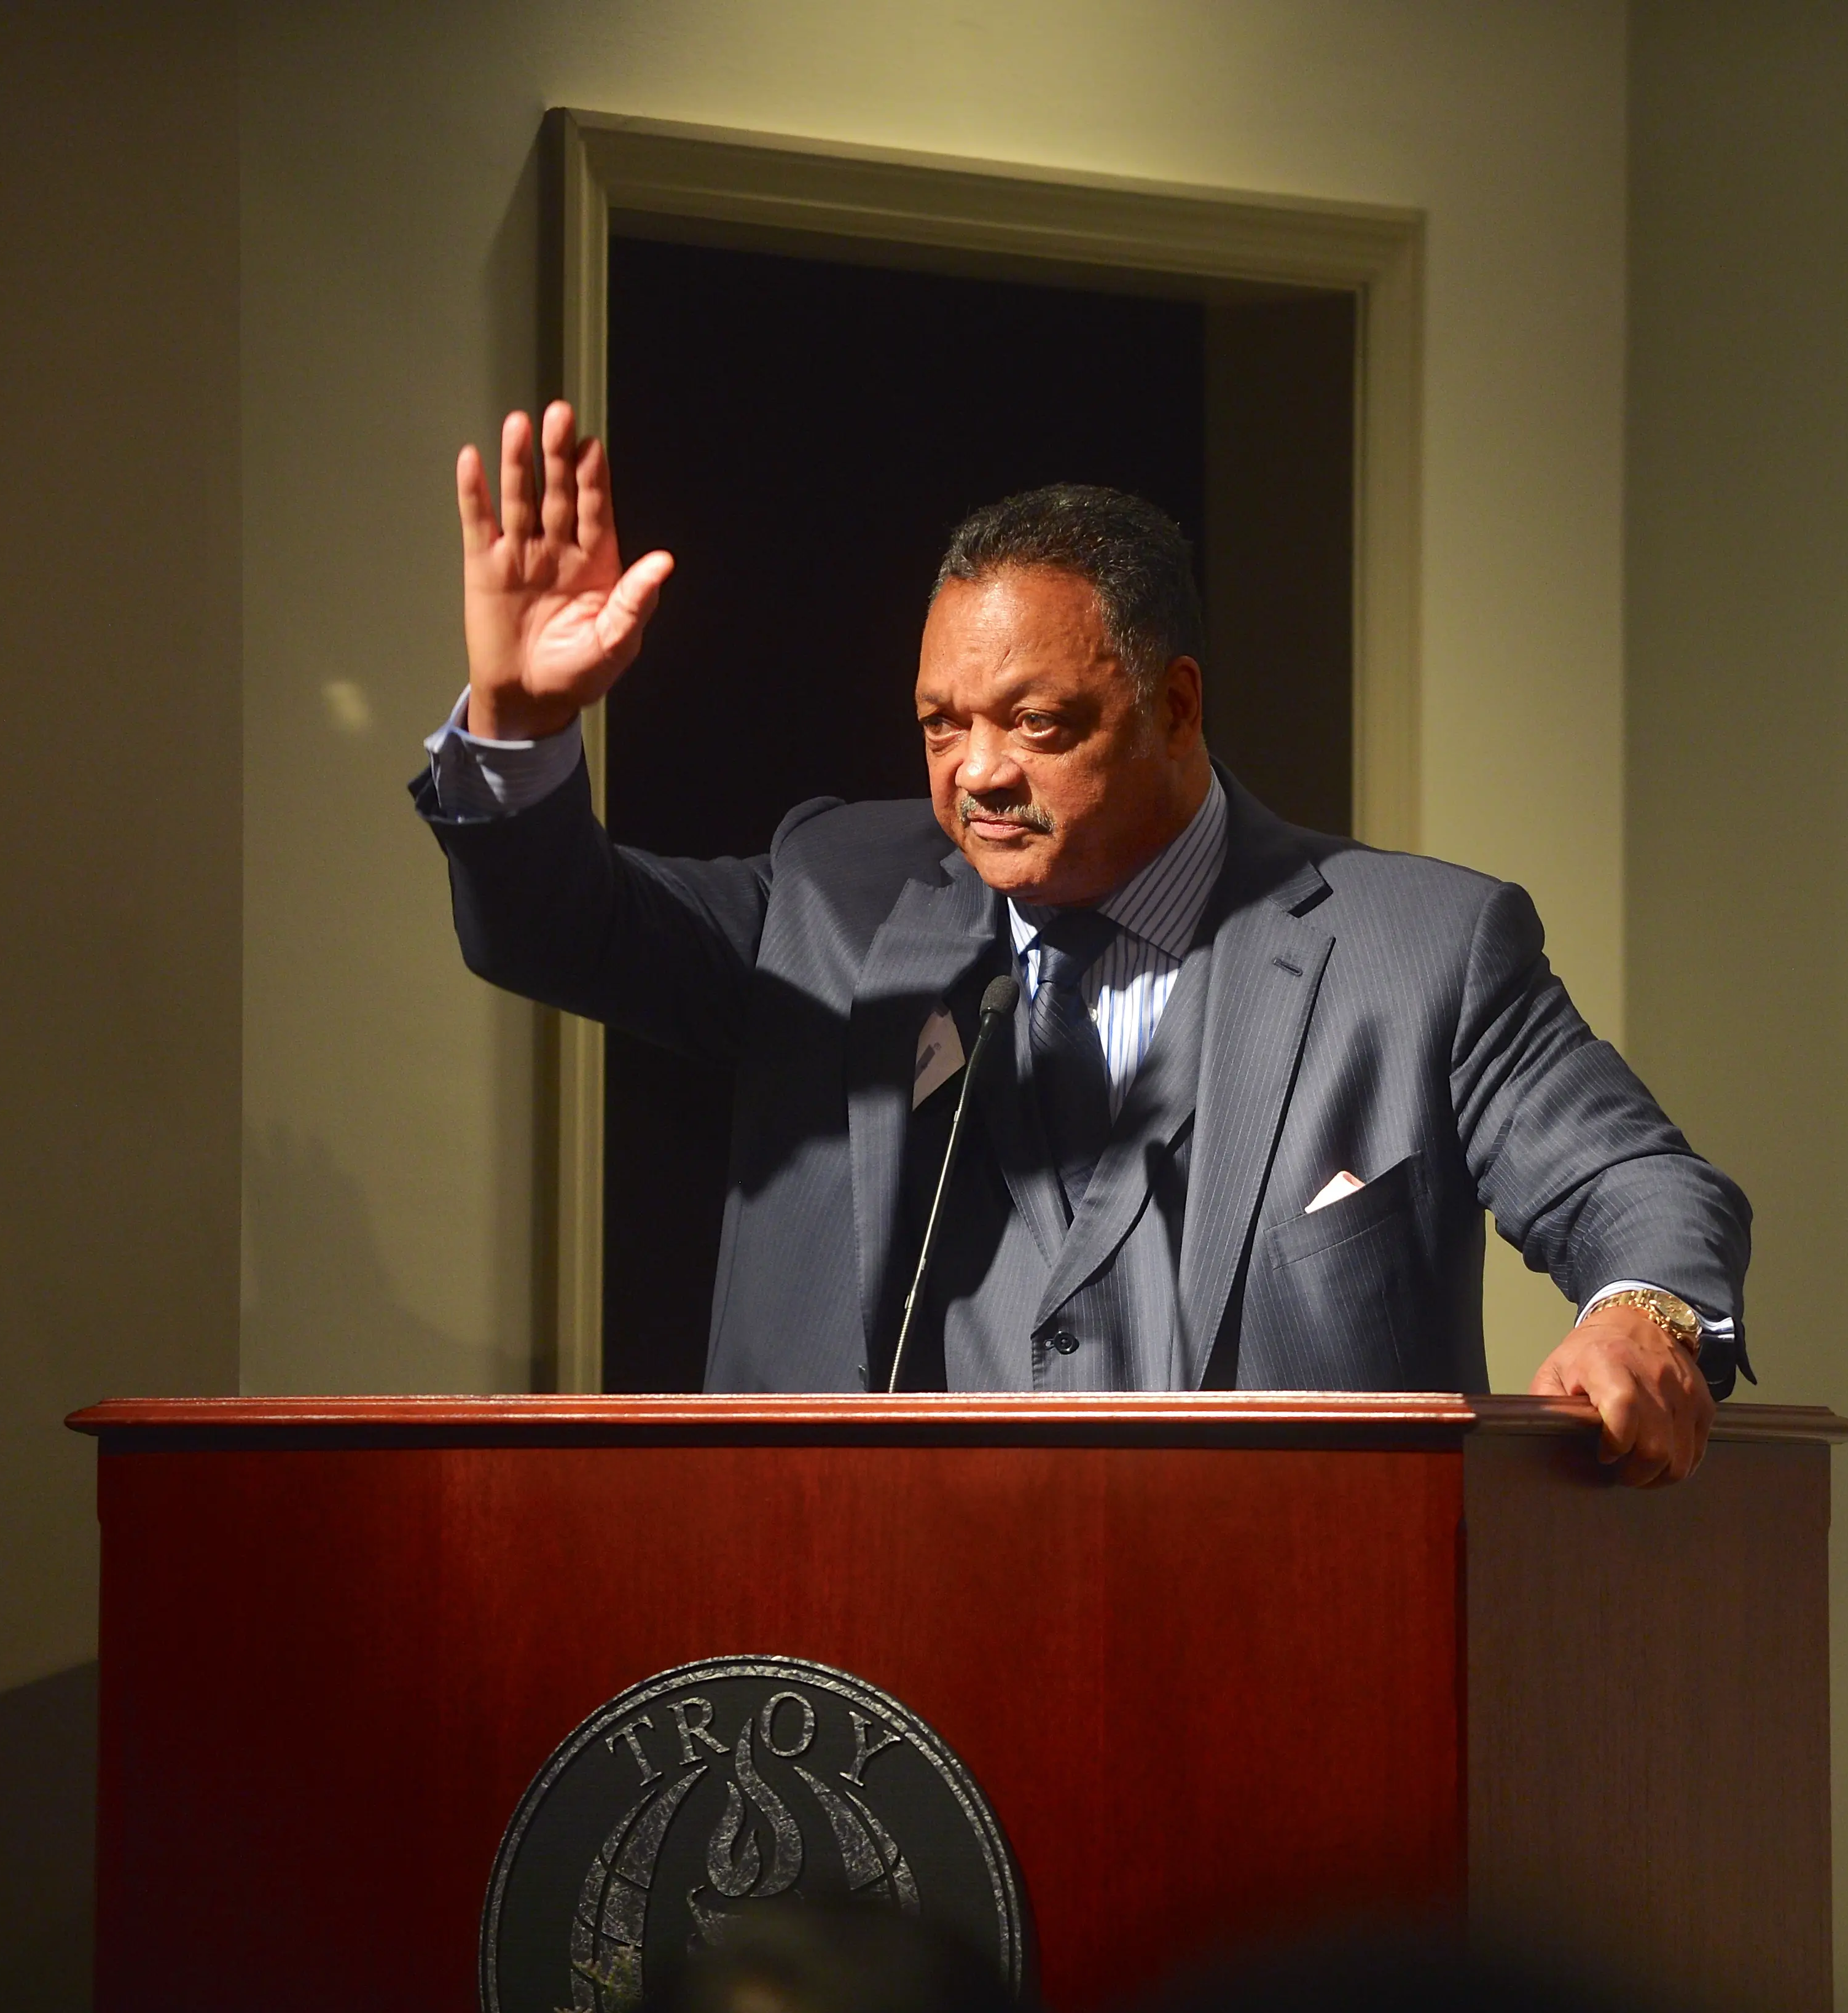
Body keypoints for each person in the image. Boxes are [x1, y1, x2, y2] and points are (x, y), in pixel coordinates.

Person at [412, 404, 1748, 1483]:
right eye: (942, 724)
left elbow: (1632, 1178)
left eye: (1035, 723)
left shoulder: (1421, 950)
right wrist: (517, 727)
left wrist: (1644, 1314)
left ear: (1174, 707)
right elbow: (556, 926)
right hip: (872, 1655)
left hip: (1287, 1660)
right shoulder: (838, 899)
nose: (978, 774)